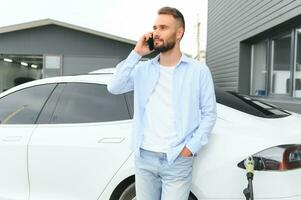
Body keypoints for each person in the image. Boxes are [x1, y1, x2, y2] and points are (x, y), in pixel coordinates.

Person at [107, 6, 217, 200]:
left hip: (177, 158)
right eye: (155, 27)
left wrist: (189, 149)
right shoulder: (142, 70)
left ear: (179, 32)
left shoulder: (198, 71)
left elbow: (209, 114)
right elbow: (114, 87)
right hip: (144, 158)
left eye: (163, 27)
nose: (156, 32)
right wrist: (137, 53)